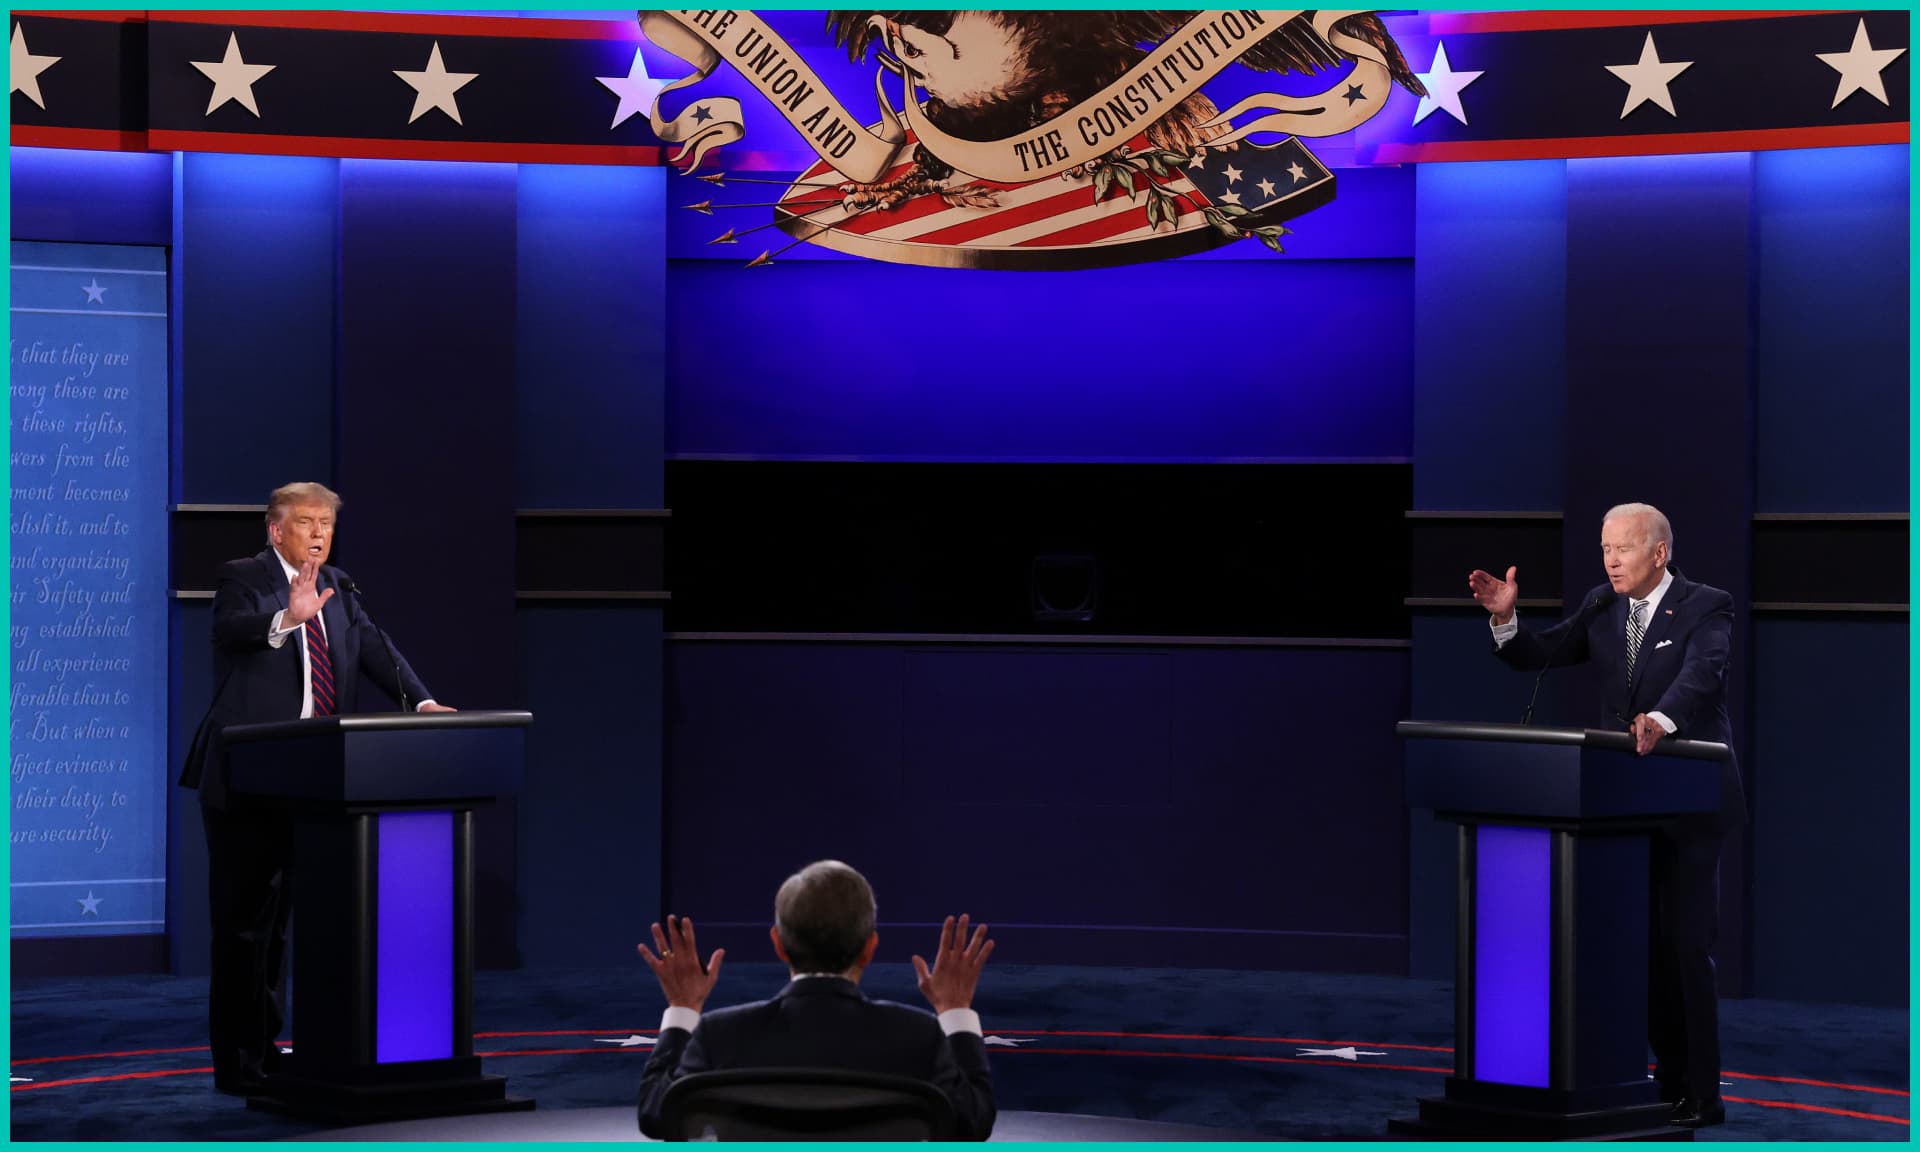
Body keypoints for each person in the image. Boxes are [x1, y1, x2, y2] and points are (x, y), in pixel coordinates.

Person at [1467, 502, 1746, 1130]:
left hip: (1692, 803)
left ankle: (1700, 1092)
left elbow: (1704, 673)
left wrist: (1662, 719)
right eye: (1604, 548)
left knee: (1684, 949)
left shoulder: (1707, 604)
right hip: (1621, 804)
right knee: (1640, 951)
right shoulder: (1601, 606)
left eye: (1622, 549)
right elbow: (1540, 652)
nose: (1610, 560)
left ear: (1659, 553)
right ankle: (1655, 1078)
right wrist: (1507, 621)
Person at [179, 481, 454, 1096]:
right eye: (306, 521)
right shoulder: (242, 578)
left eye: (326, 522)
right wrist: (286, 618)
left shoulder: (341, 587)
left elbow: (380, 654)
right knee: (244, 926)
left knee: (283, 928)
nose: (318, 533)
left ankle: (270, 1047)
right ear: (276, 530)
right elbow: (233, 630)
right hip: (248, 778)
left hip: (316, 778)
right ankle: (237, 1063)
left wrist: (424, 700)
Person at [634, 860, 996, 1140]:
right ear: (870, 947)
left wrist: (683, 1009)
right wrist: (956, 1011)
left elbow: (656, 1113)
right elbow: (974, 1122)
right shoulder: (918, 1036)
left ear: (778, 944)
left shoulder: (720, 1035)